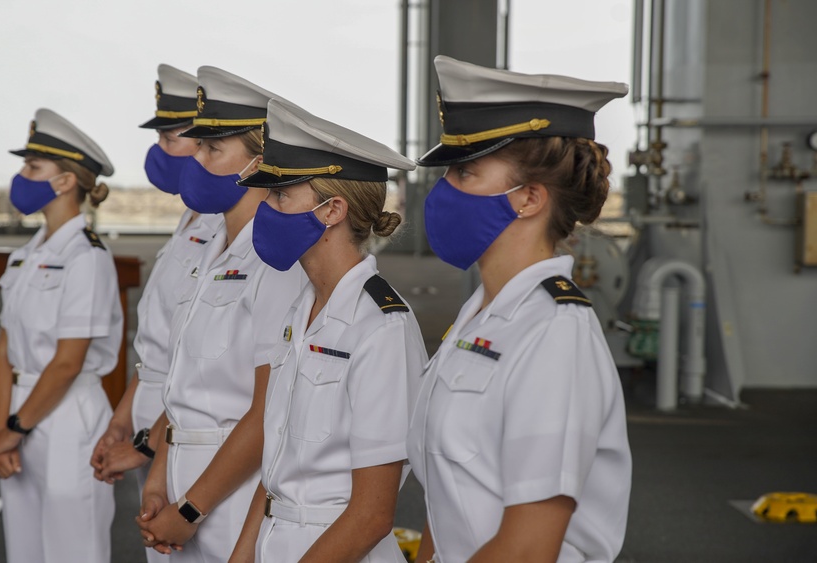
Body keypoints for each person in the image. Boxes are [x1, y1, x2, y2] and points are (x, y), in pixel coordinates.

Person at [406, 56, 632, 563]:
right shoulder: (480, 315)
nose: (444, 192)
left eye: (466, 173)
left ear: (529, 198)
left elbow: (529, 547)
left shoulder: (554, 332)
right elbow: (449, 497)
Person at [230, 99, 428, 562]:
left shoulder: (380, 327)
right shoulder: (300, 309)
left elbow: (373, 515)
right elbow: (277, 468)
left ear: (331, 210)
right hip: (275, 539)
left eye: (281, 196)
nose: (266, 208)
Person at [136, 67, 308, 560]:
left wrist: (190, 509)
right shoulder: (209, 247)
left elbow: (266, 412)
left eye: (213, 150)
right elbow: (180, 386)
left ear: (259, 161)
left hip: (227, 496)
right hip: (175, 481)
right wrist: (157, 479)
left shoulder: (276, 261)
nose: (196, 160)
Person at [89, 64, 224, 563]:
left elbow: (202, 369)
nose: (161, 150)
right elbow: (157, 356)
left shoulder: (229, 231)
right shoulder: (191, 220)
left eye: (174, 136)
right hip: (159, 431)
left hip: (190, 439)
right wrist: (122, 422)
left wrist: (145, 445)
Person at [0, 108, 123, 563]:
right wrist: (0, 429)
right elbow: (6, 349)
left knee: (72, 549)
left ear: (65, 182)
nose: (21, 176)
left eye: (33, 168)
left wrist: (14, 428)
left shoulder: (87, 257)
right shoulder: (28, 254)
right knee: (25, 551)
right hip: (20, 414)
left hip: (66, 416)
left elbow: (67, 363)